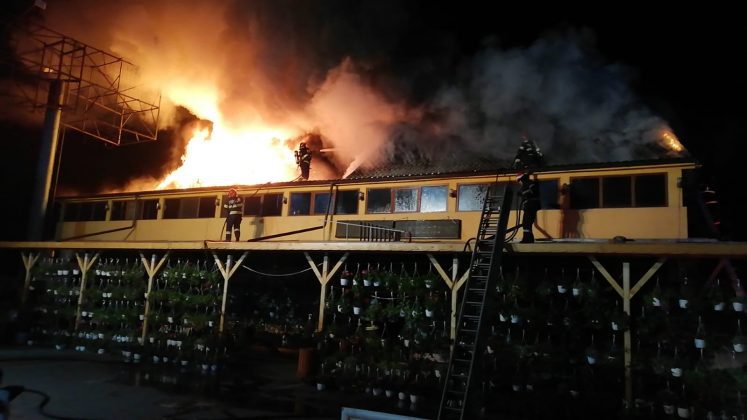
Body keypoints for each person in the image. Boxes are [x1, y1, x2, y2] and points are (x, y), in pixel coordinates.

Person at [517, 172, 540, 243]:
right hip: (529, 206)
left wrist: (522, 194)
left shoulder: (529, 184)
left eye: (519, 181)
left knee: (527, 223)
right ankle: (527, 238)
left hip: (530, 206)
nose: (519, 183)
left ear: (521, 179)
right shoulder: (527, 184)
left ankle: (528, 239)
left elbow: (531, 191)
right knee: (526, 223)